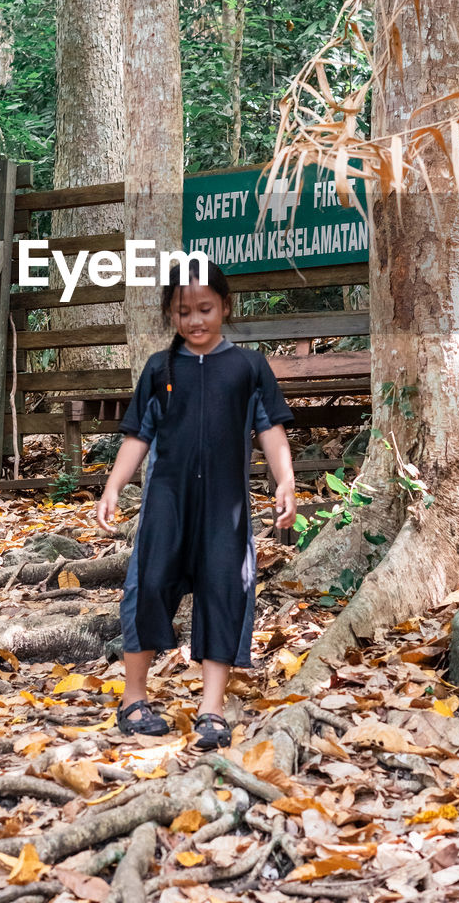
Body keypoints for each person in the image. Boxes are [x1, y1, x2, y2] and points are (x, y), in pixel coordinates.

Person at [96, 260, 297, 751]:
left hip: (225, 504)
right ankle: (134, 700)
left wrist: (286, 480)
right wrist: (113, 486)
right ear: (171, 314)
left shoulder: (248, 367)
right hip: (167, 499)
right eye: (184, 312)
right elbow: (137, 435)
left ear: (225, 306)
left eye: (205, 309)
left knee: (224, 588)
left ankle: (211, 708)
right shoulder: (159, 368)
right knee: (149, 585)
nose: (196, 321)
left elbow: (270, 430)